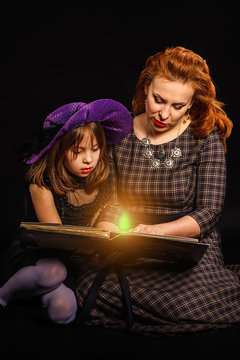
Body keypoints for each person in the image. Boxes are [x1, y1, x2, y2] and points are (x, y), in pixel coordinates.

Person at [75, 47, 240, 335]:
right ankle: (167, 315)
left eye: (178, 106)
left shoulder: (205, 136)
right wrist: (109, 239)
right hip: (132, 248)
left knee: (191, 299)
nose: (164, 113)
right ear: (146, 87)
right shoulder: (120, 132)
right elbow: (112, 202)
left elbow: (209, 213)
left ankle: (163, 310)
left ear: (192, 104)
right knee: (86, 288)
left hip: (187, 249)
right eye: (158, 100)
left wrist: (156, 233)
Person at [0, 99, 133, 325]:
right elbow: (58, 238)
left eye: (95, 149)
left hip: (75, 260)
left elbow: (110, 213)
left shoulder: (104, 175)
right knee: (54, 272)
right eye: (78, 151)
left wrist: (110, 243)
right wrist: (94, 248)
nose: (88, 159)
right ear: (61, 149)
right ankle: (4, 294)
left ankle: (37, 294)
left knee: (63, 313)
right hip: (40, 254)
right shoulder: (41, 181)